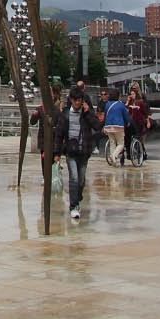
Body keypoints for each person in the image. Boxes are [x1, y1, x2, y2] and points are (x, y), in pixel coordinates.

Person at [60, 88, 104, 220]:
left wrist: (88, 113)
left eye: (81, 100)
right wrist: (57, 153)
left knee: (81, 180)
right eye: (76, 100)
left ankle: (77, 197)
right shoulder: (66, 114)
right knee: (73, 178)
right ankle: (73, 207)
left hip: (84, 151)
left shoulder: (86, 114)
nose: (78, 103)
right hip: (71, 151)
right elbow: (59, 134)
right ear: (72, 100)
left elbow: (97, 126)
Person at [102, 87, 128, 166]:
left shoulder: (107, 104)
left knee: (112, 142)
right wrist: (128, 123)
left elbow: (105, 115)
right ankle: (114, 155)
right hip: (118, 126)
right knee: (121, 144)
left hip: (108, 126)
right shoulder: (121, 105)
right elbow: (126, 116)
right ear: (118, 96)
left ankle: (113, 161)